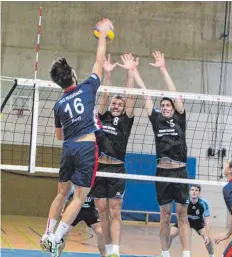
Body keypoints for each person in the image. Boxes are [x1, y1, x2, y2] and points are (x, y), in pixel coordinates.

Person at [39, 18, 113, 257]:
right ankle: (56, 238)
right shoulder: (87, 88)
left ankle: (47, 234)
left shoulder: (59, 104)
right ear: (72, 74)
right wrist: (102, 34)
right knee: (79, 197)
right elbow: (99, 61)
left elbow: (59, 136)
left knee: (61, 193)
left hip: (68, 149)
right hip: (85, 149)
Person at [132, 51, 191, 257]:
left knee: (182, 215)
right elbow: (145, 93)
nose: (166, 107)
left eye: (169, 105)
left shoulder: (180, 119)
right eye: (163, 105)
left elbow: (174, 93)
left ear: (174, 108)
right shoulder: (156, 119)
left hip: (180, 172)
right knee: (164, 215)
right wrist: (134, 71)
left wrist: (163, 68)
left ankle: (186, 254)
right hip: (162, 173)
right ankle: (165, 253)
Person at [91, 53, 135, 257]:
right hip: (99, 167)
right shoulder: (102, 116)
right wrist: (107, 75)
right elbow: (104, 95)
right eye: (114, 104)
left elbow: (131, 95)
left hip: (117, 167)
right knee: (101, 209)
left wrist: (129, 72)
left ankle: (116, 249)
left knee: (114, 209)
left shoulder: (126, 120)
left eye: (119, 104)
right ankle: (108, 250)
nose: (116, 106)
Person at [169, 184, 214, 257]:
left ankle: (212, 255)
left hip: (198, 222)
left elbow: (207, 218)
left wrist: (206, 235)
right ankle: (165, 253)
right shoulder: (184, 201)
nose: (194, 192)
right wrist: (182, 228)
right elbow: (179, 215)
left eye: (196, 190)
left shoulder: (203, 203)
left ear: (199, 192)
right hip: (185, 221)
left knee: (208, 238)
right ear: (189, 191)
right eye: (192, 190)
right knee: (170, 234)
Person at [61, 186, 106, 257]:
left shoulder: (97, 185)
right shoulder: (76, 185)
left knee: (101, 233)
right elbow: (65, 197)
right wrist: (62, 207)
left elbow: (101, 199)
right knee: (63, 232)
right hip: (76, 212)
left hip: (90, 212)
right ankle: (56, 254)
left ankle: (104, 255)